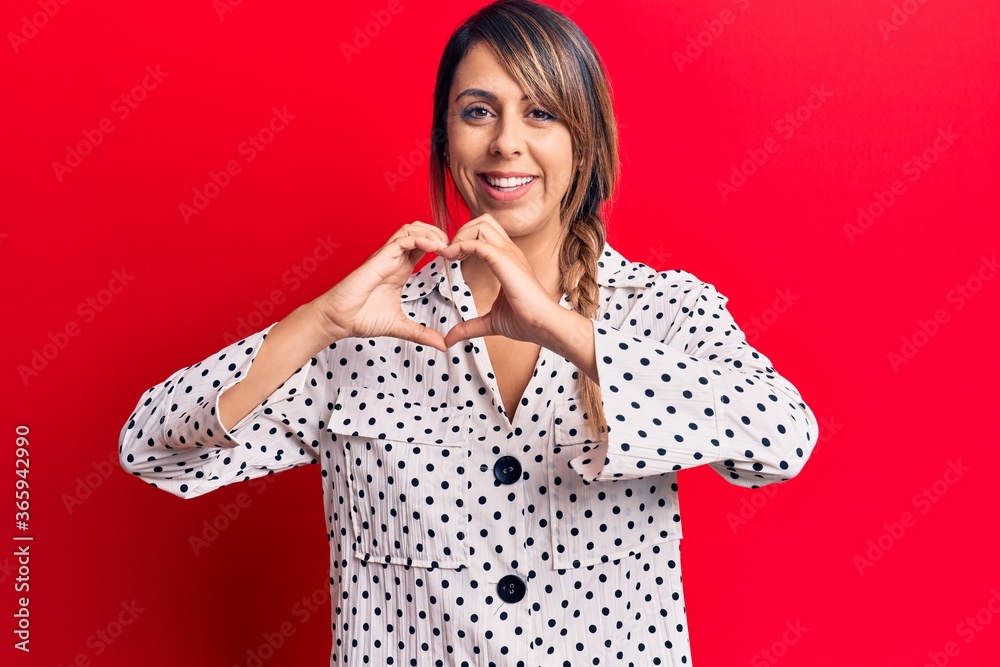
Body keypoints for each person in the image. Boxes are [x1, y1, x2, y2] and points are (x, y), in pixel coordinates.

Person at [118, 1, 818, 664]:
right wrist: (320, 321)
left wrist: (559, 327)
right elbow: (151, 445)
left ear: (588, 139)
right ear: (445, 138)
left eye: (540, 112)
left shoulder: (665, 310)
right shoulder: (365, 329)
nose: (506, 141)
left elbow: (783, 439)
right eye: (477, 111)